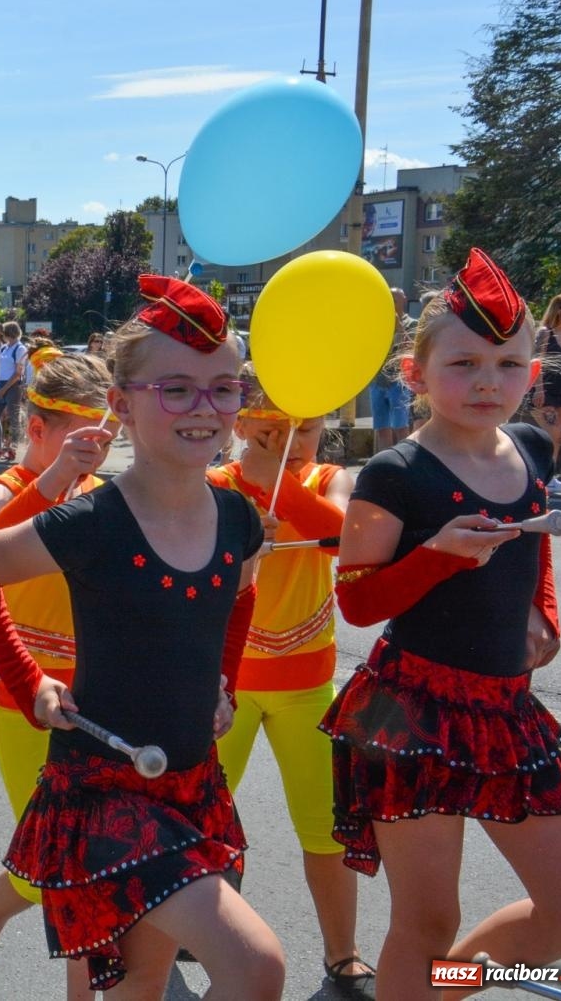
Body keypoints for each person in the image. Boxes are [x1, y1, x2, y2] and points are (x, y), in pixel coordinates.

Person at [0, 275, 285, 999]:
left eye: (223, 389)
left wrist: (224, 683)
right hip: (105, 791)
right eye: (177, 389)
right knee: (256, 967)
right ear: (123, 405)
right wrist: (27, 681)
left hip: (191, 782)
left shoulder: (238, 518)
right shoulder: (92, 523)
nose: (205, 408)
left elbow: (242, 596)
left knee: (142, 982)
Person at [321, 248, 561, 997]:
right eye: (464, 363)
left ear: (532, 373)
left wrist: (542, 607)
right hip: (406, 710)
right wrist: (437, 556)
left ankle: (445, 988)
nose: (487, 382)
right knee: (426, 920)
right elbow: (358, 603)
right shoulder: (394, 474)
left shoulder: (533, 445)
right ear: (416, 374)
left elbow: (532, 535)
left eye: (507, 366)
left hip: (507, 711)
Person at [0, 348, 115, 1001]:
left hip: (102, 692)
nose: (93, 455)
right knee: (60, 858)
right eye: (80, 440)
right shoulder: (6, 486)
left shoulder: (103, 495)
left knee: (86, 859)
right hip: (26, 694)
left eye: (103, 441)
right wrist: (56, 478)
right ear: (40, 428)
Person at [207, 374, 375, 999]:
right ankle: (183, 932)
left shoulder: (329, 479)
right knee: (196, 819)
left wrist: (278, 483)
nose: (293, 442)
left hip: (307, 686)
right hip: (226, 686)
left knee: (325, 830)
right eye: (274, 430)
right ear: (242, 426)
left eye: (305, 428)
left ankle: (343, 955)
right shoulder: (215, 483)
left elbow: (345, 540)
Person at [532, 294, 561, 490]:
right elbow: (537, 360)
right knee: (550, 434)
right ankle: (543, 477)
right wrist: (539, 389)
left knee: (557, 436)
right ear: (560, 310)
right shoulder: (545, 332)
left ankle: (550, 478)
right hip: (545, 389)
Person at [370, 288, 416, 453]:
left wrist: (399, 328)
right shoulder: (380, 324)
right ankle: (384, 459)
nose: (392, 305)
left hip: (399, 380)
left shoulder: (412, 323)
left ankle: (403, 457)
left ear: (404, 300)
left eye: (395, 301)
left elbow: (410, 348)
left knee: (400, 425)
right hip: (378, 379)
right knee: (381, 426)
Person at [0, 321, 27, 461]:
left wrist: (4, 389)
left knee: (13, 417)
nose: (2, 335)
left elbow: (18, 373)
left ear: (9, 332)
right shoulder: (4, 348)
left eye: (3, 332)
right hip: (1, 384)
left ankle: (14, 447)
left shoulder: (20, 348)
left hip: (13, 386)